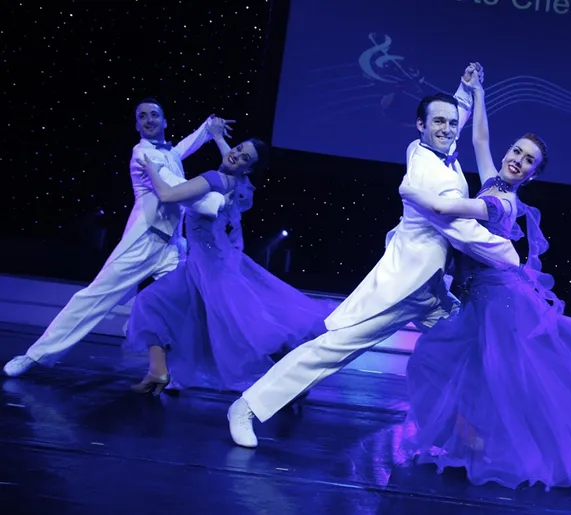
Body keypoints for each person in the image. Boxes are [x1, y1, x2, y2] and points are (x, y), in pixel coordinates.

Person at [395, 65, 571, 493]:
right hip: (478, 304)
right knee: (450, 365)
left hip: (505, 307)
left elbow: (449, 210)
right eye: (517, 151)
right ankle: (473, 438)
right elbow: (481, 140)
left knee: (552, 382)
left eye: (528, 160)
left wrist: (411, 191)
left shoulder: (504, 205)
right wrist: (479, 91)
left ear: (533, 174)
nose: (517, 160)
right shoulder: (492, 181)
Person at [226, 64, 521, 449]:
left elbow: (454, 114)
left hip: (432, 288)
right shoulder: (428, 176)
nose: (448, 129)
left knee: (476, 348)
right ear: (420, 125)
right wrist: (511, 258)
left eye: (451, 123)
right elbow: (463, 232)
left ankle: (480, 433)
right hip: (406, 288)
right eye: (439, 123)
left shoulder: (428, 146)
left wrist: (465, 90)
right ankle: (246, 406)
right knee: (333, 350)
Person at [4, 98, 229, 377]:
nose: (149, 120)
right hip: (143, 241)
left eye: (154, 115)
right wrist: (215, 201)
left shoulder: (167, 153)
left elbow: (183, 147)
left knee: (186, 305)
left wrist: (207, 128)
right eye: (142, 116)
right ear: (137, 124)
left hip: (171, 247)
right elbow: (175, 186)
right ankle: (35, 356)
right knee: (95, 297)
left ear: (165, 121)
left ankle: (178, 371)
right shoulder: (142, 154)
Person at [124, 137, 338, 394]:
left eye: (244, 157)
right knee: (168, 307)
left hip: (209, 267)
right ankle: (158, 371)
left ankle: (291, 381)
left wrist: (151, 170)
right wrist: (219, 138)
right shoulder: (241, 186)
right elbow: (234, 162)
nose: (235, 154)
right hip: (218, 262)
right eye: (237, 148)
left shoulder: (213, 179)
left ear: (248, 168)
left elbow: (168, 194)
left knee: (240, 329)